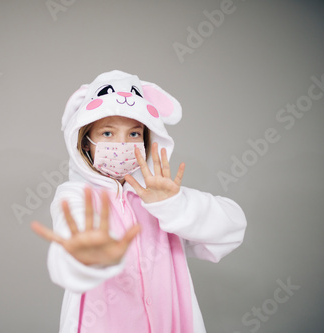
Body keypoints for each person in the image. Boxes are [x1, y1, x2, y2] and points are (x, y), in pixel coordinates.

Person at [31, 70, 247, 333]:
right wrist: (85, 255)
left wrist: (175, 205)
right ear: (85, 142)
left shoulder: (158, 196)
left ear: (147, 140)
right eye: (107, 133)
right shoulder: (75, 195)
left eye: (134, 134)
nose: (122, 143)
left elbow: (231, 229)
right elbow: (68, 249)